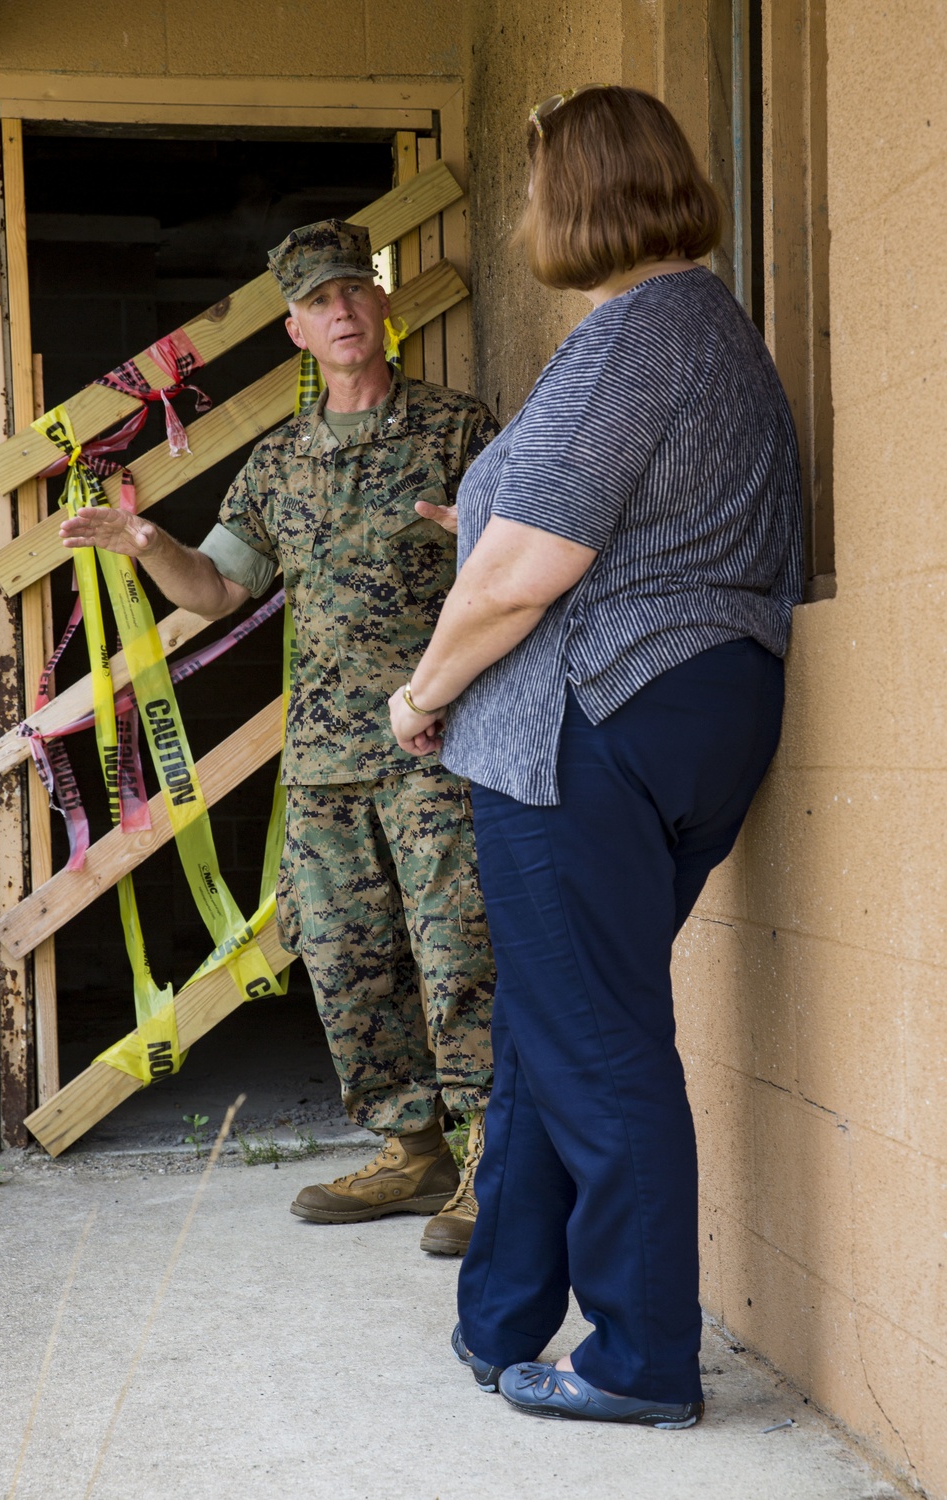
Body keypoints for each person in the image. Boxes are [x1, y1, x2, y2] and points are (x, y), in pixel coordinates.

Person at [388, 86, 803, 1421]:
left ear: (576, 194)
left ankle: (639, 1362)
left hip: (595, 723)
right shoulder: (703, 332)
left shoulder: (639, 336)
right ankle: (500, 1317)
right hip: (690, 714)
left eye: (530, 190)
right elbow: (592, 518)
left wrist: (424, 687)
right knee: (550, 1034)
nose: (520, 216)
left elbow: (531, 571)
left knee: (597, 1042)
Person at [60, 218, 498, 1257]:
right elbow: (217, 589)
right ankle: (409, 1151)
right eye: (318, 302)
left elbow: (527, 557)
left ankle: (495, 1159)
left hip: (442, 747)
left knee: (460, 957)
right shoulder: (277, 464)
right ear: (296, 331)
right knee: (347, 964)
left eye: (355, 290)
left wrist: (477, 532)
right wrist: (148, 543)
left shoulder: (457, 428)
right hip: (326, 764)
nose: (341, 310)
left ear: (382, 310)